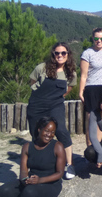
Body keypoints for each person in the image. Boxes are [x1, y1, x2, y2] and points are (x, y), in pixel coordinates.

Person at [0, 117, 66, 197]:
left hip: (50, 183)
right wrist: (24, 180)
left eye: (53, 132)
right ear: (39, 129)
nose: (49, 134)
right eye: (47, 130)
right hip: (31, 180)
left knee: (29, 192)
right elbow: (23, 171)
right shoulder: (27, 146)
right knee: (4, 191)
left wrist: (40, 180)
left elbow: (60, 173)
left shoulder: (57, 146)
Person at [27, 42, 76, 179]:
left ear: (68, 55)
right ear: (53, 54)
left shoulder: (70, 73)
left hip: (55, 104)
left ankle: (70, 164)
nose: (60, 55)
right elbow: (32, 82)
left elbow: (69, 89)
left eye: (63, 53)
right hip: (37, 105)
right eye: (57, 53)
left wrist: (57, 97)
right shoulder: (41, 68)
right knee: (37, 134)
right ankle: (40, 166)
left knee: (61, 130)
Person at [79, 27, 102, 147]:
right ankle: (90, 149)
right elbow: (83, 75)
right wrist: (81, 92)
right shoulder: (87, 53)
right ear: (93, 38)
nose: (99, 41)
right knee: (92, 121)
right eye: (97, 38)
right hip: (92, 88)